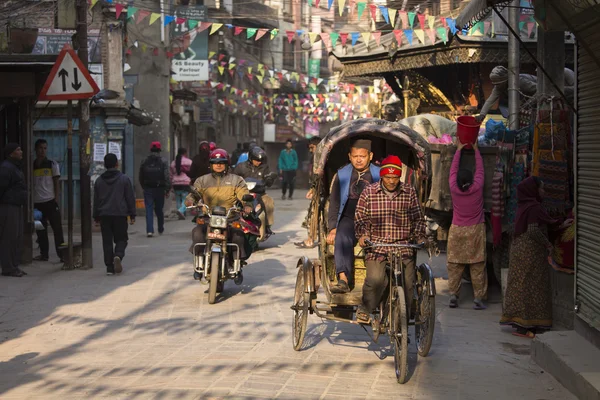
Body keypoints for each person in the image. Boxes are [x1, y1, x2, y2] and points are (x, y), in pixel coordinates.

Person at [354, 155, 427, 323]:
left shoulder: (409, 192)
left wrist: (419, 235)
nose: (392, 181)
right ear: (381, 175)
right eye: (388, 177)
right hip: (377, 247)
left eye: (395, 177)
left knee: (409, 284)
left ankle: (403, 320)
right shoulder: (369, 192)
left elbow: (418, 218)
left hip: (403, 246)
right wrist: (363, 235)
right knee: (375, 280)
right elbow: (360, 218)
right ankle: (365, 308)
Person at [500, 177, 557, 338]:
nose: (544, 192)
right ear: (534, 190)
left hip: (520, 251)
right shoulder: (533, 207)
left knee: (522, 285)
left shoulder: (523, 206)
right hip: (530, 253)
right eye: (542, 189)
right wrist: (548, 244)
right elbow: (532, 230)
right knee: (532, 285)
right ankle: (528, 324)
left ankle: (523, 323)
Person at [185, 149, 251, 278]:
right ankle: (199, 264)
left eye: (222, 162)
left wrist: (247, 204)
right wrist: (190, 201)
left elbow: (244, 194)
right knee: (197, 233)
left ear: (227, 164)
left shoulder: (236, 180)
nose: (218, 165)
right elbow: (194, 194)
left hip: (230, 217)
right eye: (215, 162)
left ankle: (236, 265)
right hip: (208, 217)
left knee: (238, 236)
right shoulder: (202, 180)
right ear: (211, 164)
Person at [327, 140, 381, 294]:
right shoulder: (342, 174)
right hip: (349, 218)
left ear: (370, 156)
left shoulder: (380, 173)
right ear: (349, 156)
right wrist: (332, 228)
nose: (359, 159)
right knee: (342, 237)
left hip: (373, 220)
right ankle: (343, 279)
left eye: (362, 156)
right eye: (355, 156)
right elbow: (335, 203)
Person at [447, 141, 488, 310]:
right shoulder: (477, 187)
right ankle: (478, 298)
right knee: (477, 265)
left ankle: (453, 296)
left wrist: (458, 151)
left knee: (455, 265)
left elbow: (452, 170)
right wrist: (476, 150)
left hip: (456, 230)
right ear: (472, 180)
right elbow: (480, 169)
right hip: (476, 230)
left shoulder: (453, 188)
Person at [93, 153, 136, 275]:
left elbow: (96, 200)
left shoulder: (99, 181)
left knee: (107, 241)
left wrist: (96, 216)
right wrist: (132, 214)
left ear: (105, 165)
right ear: (117, 164)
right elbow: (130, 198)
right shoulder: (124, 179)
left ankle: (109, 268)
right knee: (122, 239)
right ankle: (118, 255)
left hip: (104, 215)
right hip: (120, 214)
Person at [32, 139, 65, 262]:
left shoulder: (52, 164)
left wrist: (56, 198)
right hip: (37, 203)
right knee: (41, 229)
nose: (42, 151)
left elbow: (57, 183)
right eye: (40, 148)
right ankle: (44, 254)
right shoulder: (32, 165)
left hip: (50, 201)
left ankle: (62, 255)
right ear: (36, 149)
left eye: (45, 148)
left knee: (57, 229)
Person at [233, 146, 275, 237]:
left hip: (260, 193)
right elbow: (233, 177)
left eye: (260, 160)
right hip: (243, 192)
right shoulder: (241, 166)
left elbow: (268, 178)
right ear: (251, 158)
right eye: (256, 160)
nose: (258, 162)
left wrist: (269, 179)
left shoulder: (264, 167)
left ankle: (267, 225)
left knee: (269, 202)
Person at [0, 143, 28, 277]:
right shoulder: (6, 168)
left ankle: (14, 266)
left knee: (16, 237)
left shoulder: (15, 167)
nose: (21, 151)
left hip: (16, 206)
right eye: (18, 149)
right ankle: (8, 267)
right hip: (8, 207)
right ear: (11, 153)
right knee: (8, 237)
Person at [139, 141, 170, 237]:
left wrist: (144, 186)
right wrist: (167, 188)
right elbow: (167, 176)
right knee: (159, 209)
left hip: (148, 188)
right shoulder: (163, 161)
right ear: (160, 150)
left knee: (148, 209)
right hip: (159, 188)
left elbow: (141, 175)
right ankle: (160, 228)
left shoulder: (144, 160)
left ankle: (149, 230)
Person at [295, 136, 322, 249]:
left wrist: (314, 189)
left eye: (312, 147)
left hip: (321, 191)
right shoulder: (316, 157)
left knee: (314, 216)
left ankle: (311, 240)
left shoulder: (322, 157)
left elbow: (318, 176)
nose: (311, 150)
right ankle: (311, 239)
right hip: (318, 190)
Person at [170, 147, 192, 220]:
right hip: (185, 183)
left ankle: (181, 214)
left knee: (178, 199)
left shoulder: (173, 163)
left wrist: (171, 184)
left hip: (175, 183)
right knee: (185, 199)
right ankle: (181, 211)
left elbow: (171, 174)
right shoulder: (189, 162)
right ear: (185, 153)